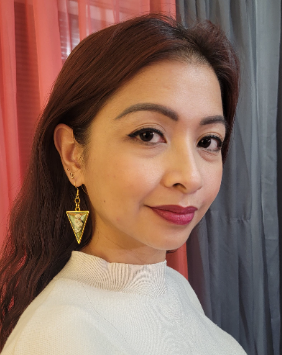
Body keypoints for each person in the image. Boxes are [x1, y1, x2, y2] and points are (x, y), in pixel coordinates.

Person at [0, 14, 246, 355]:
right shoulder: (60, 337)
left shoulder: (173, 286)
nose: (190, 177)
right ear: (74, 156)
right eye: (148, 135)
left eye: (208, 141)